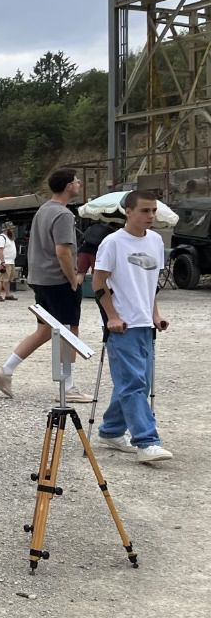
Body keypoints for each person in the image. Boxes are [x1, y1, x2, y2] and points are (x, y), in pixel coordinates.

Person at [0, 168, 89, 402]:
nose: (79, 183)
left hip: (41, 279)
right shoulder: (63, 214)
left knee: (45, 330)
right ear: (67, 186)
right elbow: (63, 251)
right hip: (58, 280)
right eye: (76, 181)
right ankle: (69, 387)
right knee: (69, 330)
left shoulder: (43, 210)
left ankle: (6, 370)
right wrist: (73, 279)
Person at [92, 190, 173, 464]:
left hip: (144, 324)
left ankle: (112, 431)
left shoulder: (156, 242)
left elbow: (150, 286)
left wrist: (156, 315)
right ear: (128, 211)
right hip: (122, 325)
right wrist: (112, 316)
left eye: (153, 211)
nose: (150, 216)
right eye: (144, 211)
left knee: (136, 382)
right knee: (134, 383)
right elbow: (98, 283)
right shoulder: (112, 243)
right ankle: (146, 441)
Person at [0, 223, 18, 302]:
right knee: (1, 279)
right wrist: (2, 262)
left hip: (11, 261)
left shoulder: (10, 238)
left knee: (7, 279)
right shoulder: (1, 238)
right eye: (11, 228)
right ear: (6, 229)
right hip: (5, 262)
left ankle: (7, 294)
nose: (12, 230)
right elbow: (0, 250)